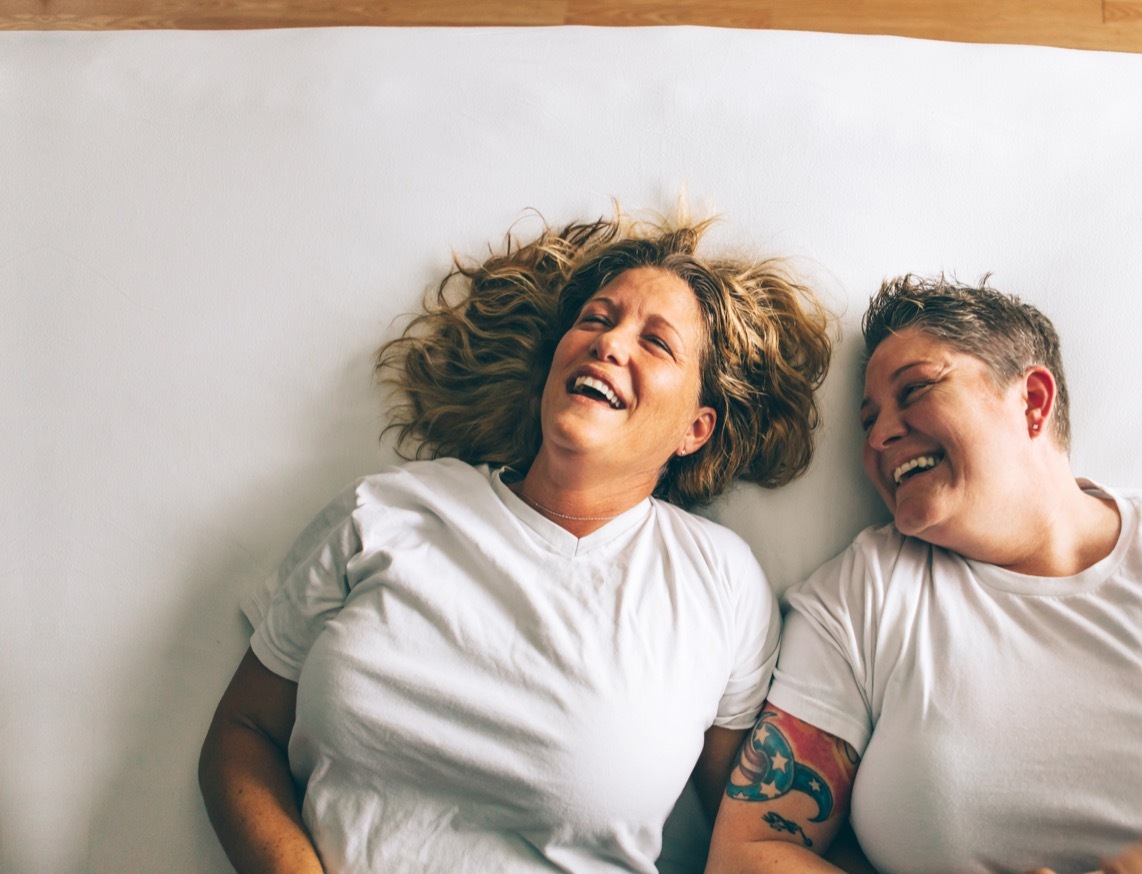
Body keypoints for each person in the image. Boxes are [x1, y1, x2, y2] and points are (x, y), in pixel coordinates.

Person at [197, 209, 833, 873]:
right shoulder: (383, 512)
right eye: (596, 318)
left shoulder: (719, 584)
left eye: (657, 342)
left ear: (694, 430)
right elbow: (243, 734)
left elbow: (759, 839)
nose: (610, 343)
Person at [706, 275, 1142, 874]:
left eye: (915, 389)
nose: (881, 435)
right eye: (868, 421)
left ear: (1032, 402)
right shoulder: (864, 593)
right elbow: (746, 854)